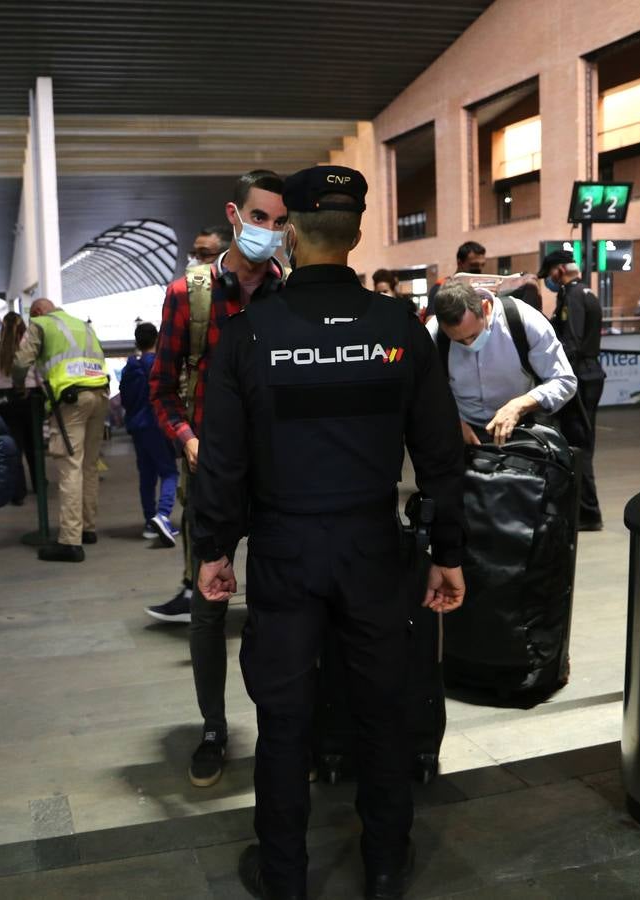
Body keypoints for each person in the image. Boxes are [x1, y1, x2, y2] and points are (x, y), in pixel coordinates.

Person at [192, 165, 467, 900]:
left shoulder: (252, 336)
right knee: (383, 707)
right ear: (356, 233)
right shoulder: (399, 329)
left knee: (283, 717)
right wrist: (449, 554)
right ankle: (384, 865)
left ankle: (285, 876)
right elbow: (440, 454)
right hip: (374, 547)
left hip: (285, 551)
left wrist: (213, 551)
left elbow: (222, 461)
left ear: (291, 229)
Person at [144, 169, 288, 788]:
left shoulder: (291, 294)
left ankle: (286, 726)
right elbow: (161, 390)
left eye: (282, 223)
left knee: (284, 603)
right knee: (209, 606)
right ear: (236, 213)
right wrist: (191, 441)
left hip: (281, 478)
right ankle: (212, 728)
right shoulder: (190, 294)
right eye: (260, 218)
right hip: (212, 474)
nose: (270, 233)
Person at [13, 298, 109, 562]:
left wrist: (18, 386)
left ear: (38, 311)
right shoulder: (83, 326)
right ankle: (87, 528)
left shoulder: (42, 324)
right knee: (89, 466)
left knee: (70, 467)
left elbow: (21, 363)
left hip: (71, 402)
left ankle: (70, 541)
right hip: (100, 395)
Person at [428, 281, 577, 446]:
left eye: (473, 336)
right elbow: (421, 392)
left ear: (484, 307)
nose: (468, 345)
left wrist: (520, 405)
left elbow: (564, 381)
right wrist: (451, 421)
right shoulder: (434, 334)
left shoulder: (524, 320)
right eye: (459, 341)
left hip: (519, 429)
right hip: (460, 433)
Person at [541, 250, 606, 530]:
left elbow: (572, 343)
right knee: (579, 444)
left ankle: (588, 513)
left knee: (578, 447)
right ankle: (583, 510)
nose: (549, 281)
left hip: (579, 377)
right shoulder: (586, 292)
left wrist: (555, 377)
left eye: (549, 275)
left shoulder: (573, 295)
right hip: (589, 374)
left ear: (558, 271)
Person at [120, 322, 178, 542]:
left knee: (146, 476)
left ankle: (149, 522)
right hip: (158, 425)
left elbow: (125, 399)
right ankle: (163, 516)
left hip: (137, 427)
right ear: (157, 339)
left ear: (137, 342)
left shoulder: (129, 368)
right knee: (169, 472)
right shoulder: (159, 365)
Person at [0, 312, 39, 504]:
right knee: (33, 443)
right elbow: (37, 371)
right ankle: (38, 483)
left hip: (5, 398)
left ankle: (18, 492)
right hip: (29, 395)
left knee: (14, 445)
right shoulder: (29, 346)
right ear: (22, 328)